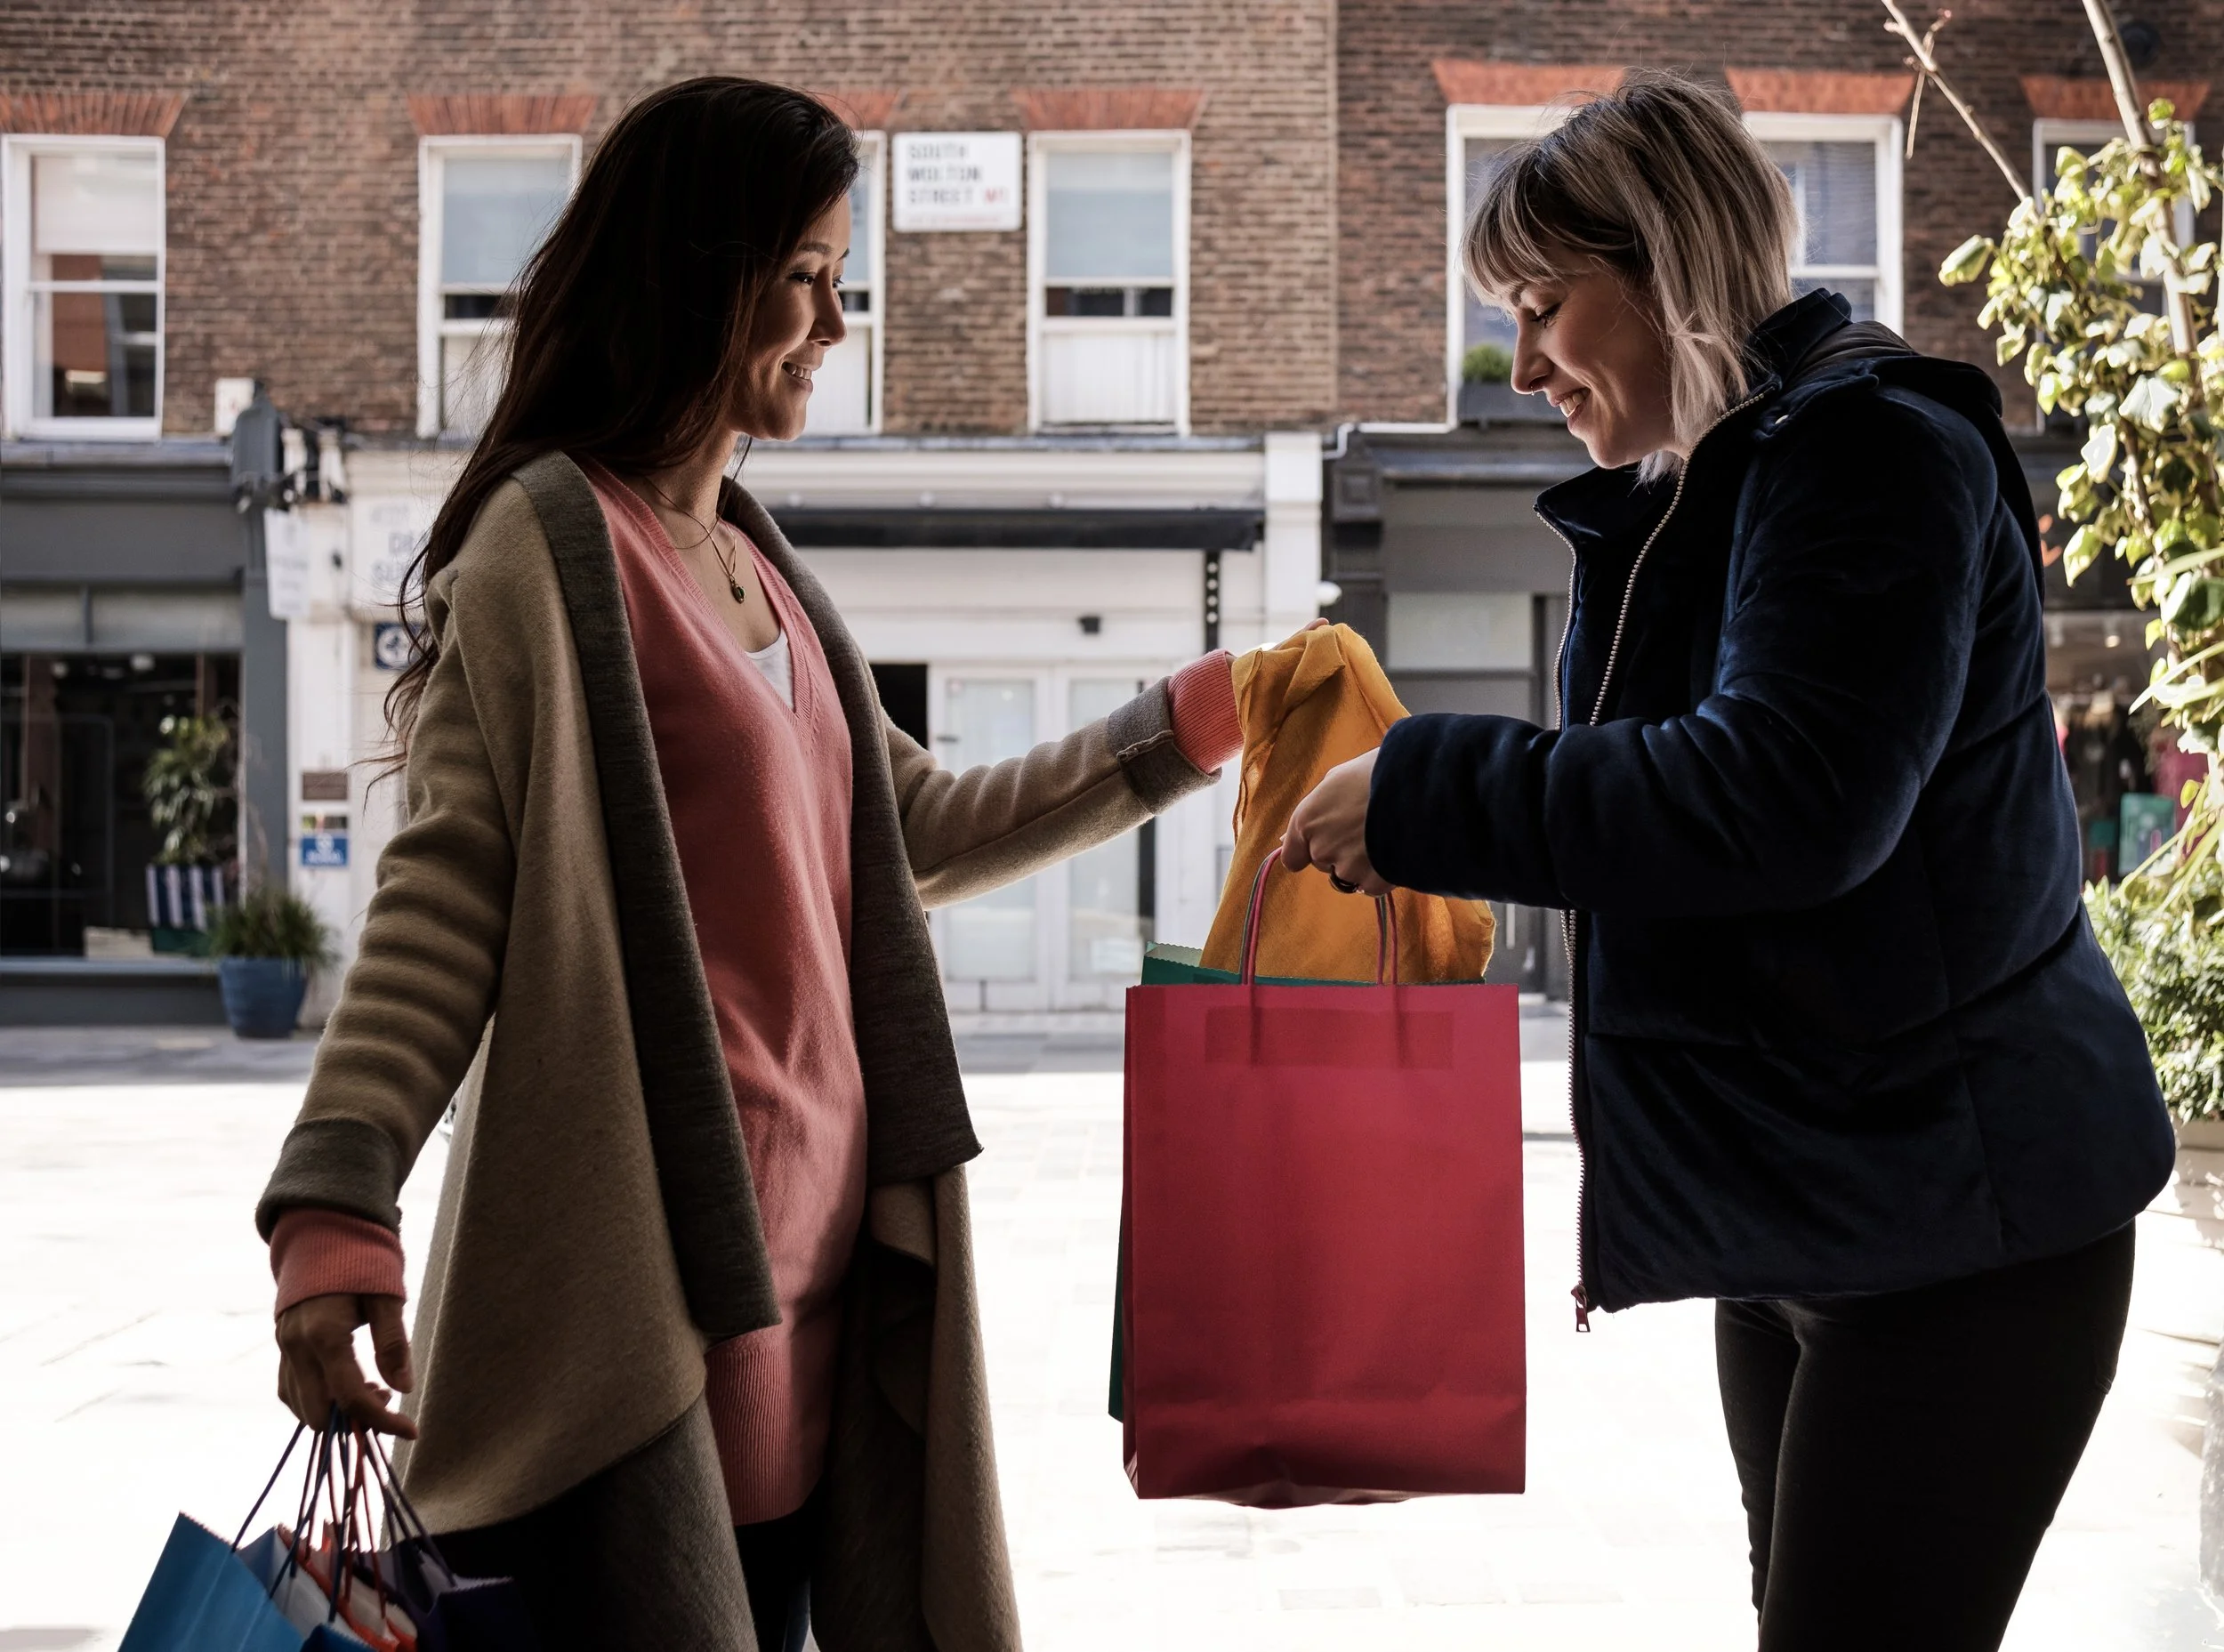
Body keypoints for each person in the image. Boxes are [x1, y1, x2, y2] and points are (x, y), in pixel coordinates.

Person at [257, 77, 1247, 1652]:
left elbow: (911, 833)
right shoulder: (549, 546)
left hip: (826, 1302)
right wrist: (333, 1203)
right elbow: (445, 896)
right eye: (805, 277)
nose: (834, 323)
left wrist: (1191, 727)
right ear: (697, 277)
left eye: (838, 279)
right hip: (640, 1318)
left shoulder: (765, 569)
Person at [1284, 69, 2173, 1652]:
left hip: (1966, 1230)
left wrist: (1430, 792)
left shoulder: (1868, 454)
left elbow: (1787, 801)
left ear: (1670, 263)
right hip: (1821, 1206)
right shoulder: (1726, 479)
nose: (1520, 361)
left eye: (1546, 304)